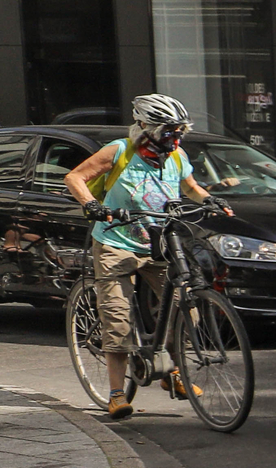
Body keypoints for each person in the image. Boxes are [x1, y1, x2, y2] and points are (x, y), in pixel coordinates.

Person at [63, 95, 230, 420]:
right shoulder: (120, 151)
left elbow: (191, 187)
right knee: (118, 321)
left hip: (159, 242)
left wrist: (211, 200)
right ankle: (115, 394)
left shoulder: (177, 155)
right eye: (167, 131)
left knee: (185, 307)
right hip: (115, 243)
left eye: (178, 131)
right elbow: (75, 178)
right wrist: (91, 206)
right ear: (144, 127)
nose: (174, 138)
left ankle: (175, 373)